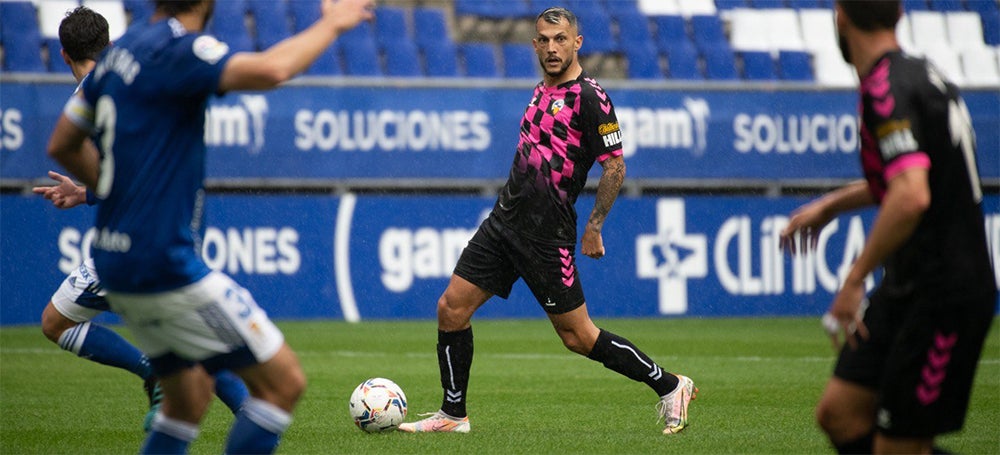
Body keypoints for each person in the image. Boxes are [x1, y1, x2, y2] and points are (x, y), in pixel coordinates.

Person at [45, 0, 374, 453]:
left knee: (187, 399)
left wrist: (102, 188)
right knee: (282, 385)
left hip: (114, 259)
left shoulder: (124, 52)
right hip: (162, 258)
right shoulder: (180, 49)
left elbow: (62, 143)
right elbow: (273, 70)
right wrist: (333, 23)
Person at [398, 7, 696, 436]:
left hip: (546, 235)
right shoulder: (541, 90)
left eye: (560, 39)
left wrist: (594, 225)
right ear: (535, 44)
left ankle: (670, 386)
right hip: (503, 223)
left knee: (578, 337)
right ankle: (452, 414)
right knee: (451, 308)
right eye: (544, 39)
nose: (552, 47)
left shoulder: (590, 97)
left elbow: (615, 167)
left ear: (577, 42)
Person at [780, 1, 996, 453]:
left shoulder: (885, 88)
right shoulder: (921, 74)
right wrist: (832, 205)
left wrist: (855, 277)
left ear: (840, 17)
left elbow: (912, 194)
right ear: (898, 15)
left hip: (945, 293)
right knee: (839, 414)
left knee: (899, 446)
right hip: (912, 284)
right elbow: (913, 175)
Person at [34, 7, 249, 431]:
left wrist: (92, 190)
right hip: (171, 223)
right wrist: (86, 193)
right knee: (185, 333)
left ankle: (157, 374)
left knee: (56, 323)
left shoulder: (91, 97)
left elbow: (120, 173)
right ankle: (249, 411)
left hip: (132, 240)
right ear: (110, 44)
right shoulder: (131, 83)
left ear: (63, 55)